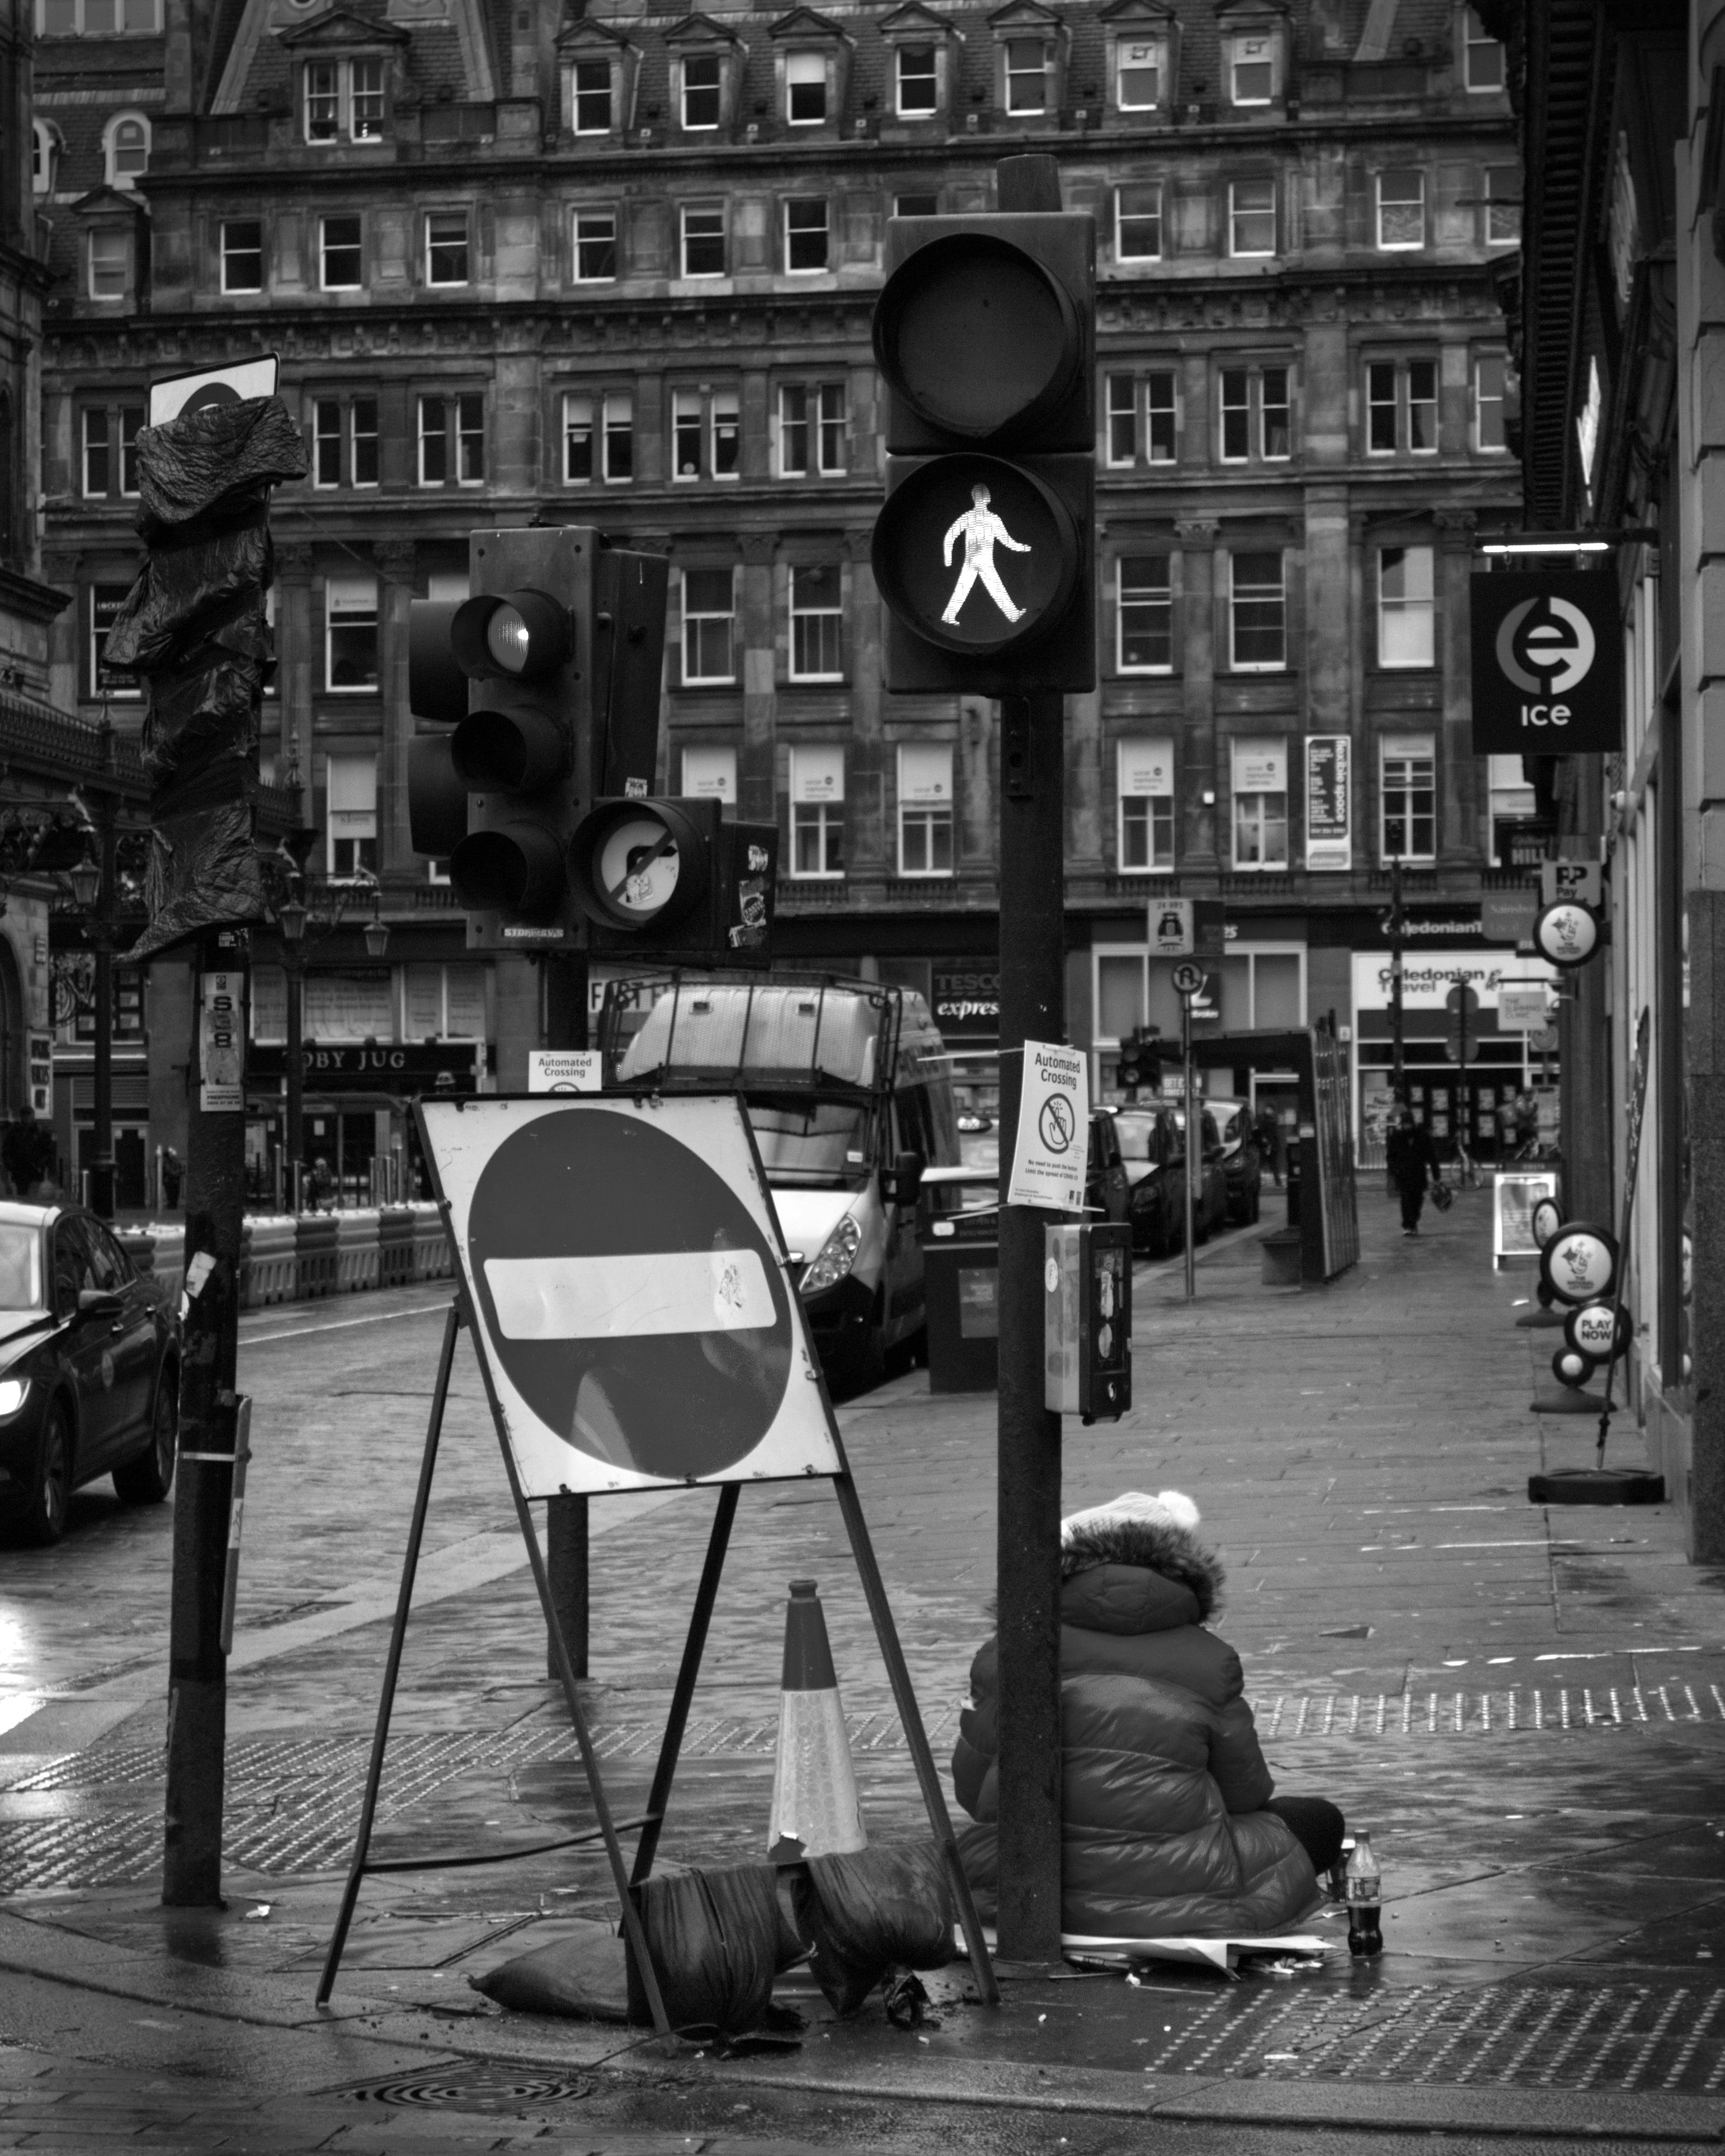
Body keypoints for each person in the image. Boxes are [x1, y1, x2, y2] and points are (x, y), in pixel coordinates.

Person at [951, 1490, 1344, 1937]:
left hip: (1019, 1900)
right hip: (1183, 1903)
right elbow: (1246, 1793)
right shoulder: (1210, 1660)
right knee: (1318, 1819)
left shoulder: (1005, 1651)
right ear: (1178, 1567)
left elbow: (971, 1788)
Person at [1386, 1104, 1438, 1236]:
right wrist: (1394, 1171)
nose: (1407, 1127)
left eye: (1409, 1124)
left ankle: (1413, 1221)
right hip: (1403, 1174)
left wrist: (1436, 1176)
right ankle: (1408, 1225)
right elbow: (1390, 1156)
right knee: (1406, 1199)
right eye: (1405, 1125)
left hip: (1418, 1173)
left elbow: (1432, 1156)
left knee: (1417, 1200)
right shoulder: (1396, 1137)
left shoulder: (1422, 1136)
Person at [1, 1108, 55, 1202]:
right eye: (25, 1116)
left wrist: (40, 1165)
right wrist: (12, 1167)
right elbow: (7, 1152)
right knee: (23, 1198)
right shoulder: (15, 1132)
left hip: (34, 1172)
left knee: (32, 1197)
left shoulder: (39, 1131)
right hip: (20, 1172)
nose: (27, 1118)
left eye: (28, 1115)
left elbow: (48, 1152)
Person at [160, 1145, 183, 1210]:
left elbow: (169, 1171)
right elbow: (169, 1171)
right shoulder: (169, 1163)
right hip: (171, 1181)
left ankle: (172, 1207)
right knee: (172, 1196)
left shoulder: (172, 1162)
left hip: (172, 1181)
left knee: (173, 1196)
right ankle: (172, 1207)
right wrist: (177, 1173)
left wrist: (176, 1173)